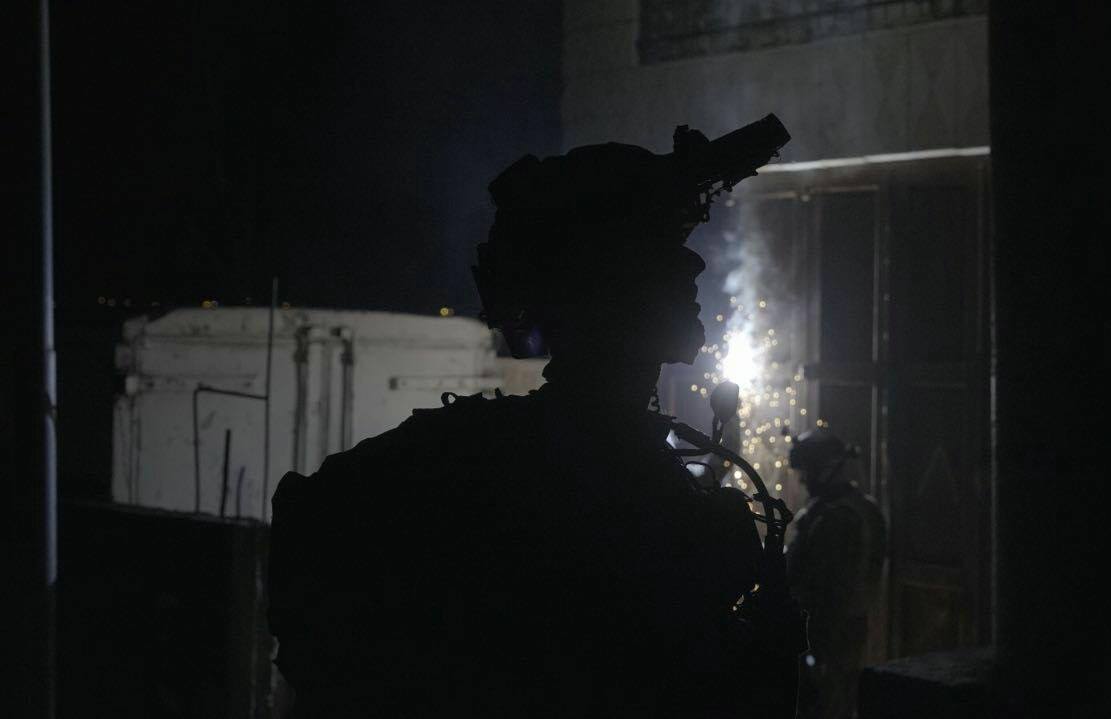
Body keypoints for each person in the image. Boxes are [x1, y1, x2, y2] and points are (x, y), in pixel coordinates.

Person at [267, 119, 805, 717]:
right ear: (599, 284)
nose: (695, 268)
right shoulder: (506, 467)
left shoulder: (553, 456)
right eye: (661, 250)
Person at [786, 429, 887, 719]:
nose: (803, 480)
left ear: (825, 469)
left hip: (826, 637)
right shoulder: (860, 508)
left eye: (807, 472)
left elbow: (818, 586)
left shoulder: (837, 517)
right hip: (843, 633)